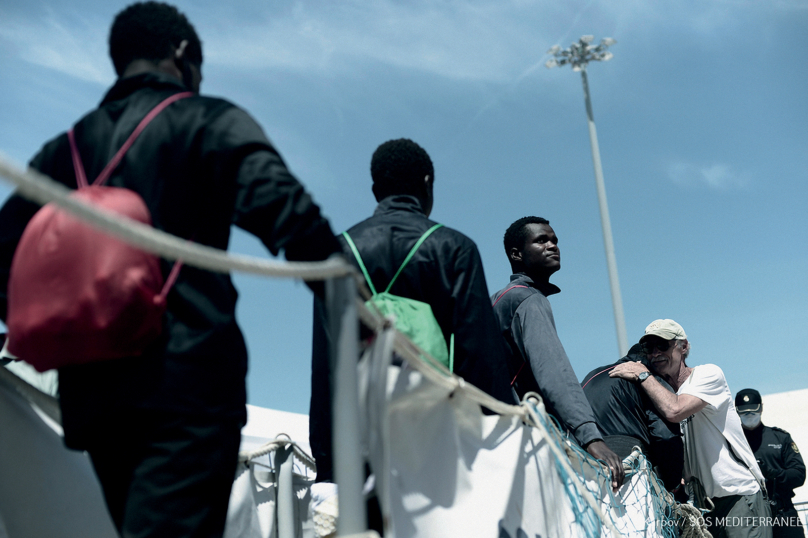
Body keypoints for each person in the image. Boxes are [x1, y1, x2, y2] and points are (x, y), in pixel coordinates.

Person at [0, 3, 341, 537]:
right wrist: (346, 289)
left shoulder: (59, 153)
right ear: (183, 55)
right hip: (186, 381)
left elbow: (6, 263)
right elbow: (287, 212)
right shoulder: (203, 118)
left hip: (95, 396)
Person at [308, 138, 513, 483]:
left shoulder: (338, 253)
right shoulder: (454, 248)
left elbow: (327, 363)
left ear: (375, 189)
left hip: (362, 437)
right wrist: (495, 439)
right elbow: (479, 357)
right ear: (428, 183)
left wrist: (328, 466)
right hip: (437, 437)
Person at [490, 216, 624, 490]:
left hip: (494, 439)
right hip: (527, 443)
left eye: (554, 240)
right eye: (542, 240)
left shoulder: (498, 299)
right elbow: (554, 372)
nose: (553, 245)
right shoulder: (528, 299)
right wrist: (591, 437)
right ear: (516, 254)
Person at [610, 320, 772, 538]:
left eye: (663, 345)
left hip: (739, 497)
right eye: (649, 348)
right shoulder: (660, 392)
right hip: (703, 507)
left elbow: (675, 410)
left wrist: (641, 374)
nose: (656, 353)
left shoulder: (708, 374)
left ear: (683, 347)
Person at [581, 343, 684, 492]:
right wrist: (672, 483)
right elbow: (666, 436)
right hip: (627, 471)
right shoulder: (649, 380)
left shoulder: (592, 376)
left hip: (584, 467)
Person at [736, 388, 806, 538]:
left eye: (753, 410)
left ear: (761, 408)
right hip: (748, 516)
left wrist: (772, 473)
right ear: (736, 412)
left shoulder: (780, 438)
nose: (749, 415)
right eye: (744, 412)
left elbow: (799, 474)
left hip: (782, 512)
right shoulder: (732, 443)